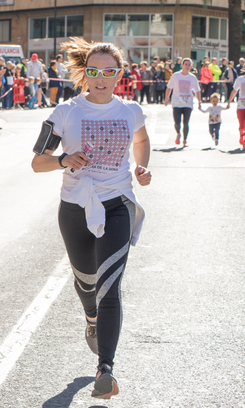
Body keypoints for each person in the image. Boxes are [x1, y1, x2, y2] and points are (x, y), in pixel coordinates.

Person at [31, 37, 151, 401]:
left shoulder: (131, 111)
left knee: (109, 286)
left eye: (108, 72)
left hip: (117, 205)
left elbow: (142, 141)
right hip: (75, 207)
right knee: (86, 284)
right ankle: (91, 319)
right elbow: (38, 162)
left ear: (119, 74)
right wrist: (64, 160)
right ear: (85, 73)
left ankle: (106, 368)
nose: (101, 78)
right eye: (94, 71)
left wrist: (143, 167)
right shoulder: (66, 112)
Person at [164, 58, 201, 147]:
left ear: (191, 66)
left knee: (186, 122)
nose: (187, 66)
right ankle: (178, 133)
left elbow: (197, 90)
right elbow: (169, 87)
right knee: (177, 122)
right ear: (182, 65)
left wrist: (199, 101)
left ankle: (185, 139)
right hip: (177, 102)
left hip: (188, 103)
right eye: (186, 64)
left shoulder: (192, 78)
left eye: (189, 65)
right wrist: (166, 98)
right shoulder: (176, 76)